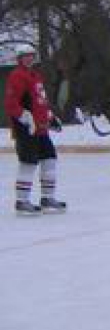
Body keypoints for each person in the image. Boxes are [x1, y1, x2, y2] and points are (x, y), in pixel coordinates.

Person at [4, 44, 66, 215]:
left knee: (49, 159)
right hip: (26, 129)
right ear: (19, 58)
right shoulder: (17, 76)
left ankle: (47, 198)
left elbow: (40, 102)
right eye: (25, 56)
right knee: (28, 163)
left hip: (41, 129)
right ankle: (21, 201)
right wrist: (26, 118)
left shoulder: (35, 75)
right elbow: (11, 104)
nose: (29, 58)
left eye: (31, 55)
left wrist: (50, 117)